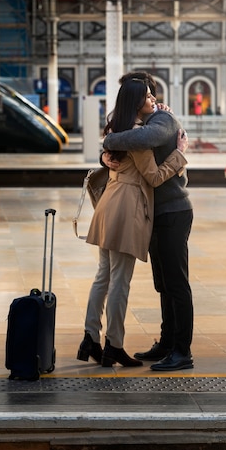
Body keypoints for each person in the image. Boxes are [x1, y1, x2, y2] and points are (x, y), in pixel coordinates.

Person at [77, 77, 188, 368]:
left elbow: (112, 151)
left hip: (108, 203)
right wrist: (179, 155)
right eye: (148, 96)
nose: (153, 99)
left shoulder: (117, 127)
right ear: (136, 102)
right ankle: (114, 345)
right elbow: (153, 177)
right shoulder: (139, 136)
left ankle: (91, 337)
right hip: (127, 207)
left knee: (103, 275)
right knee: (120, 281)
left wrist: (105, 150)